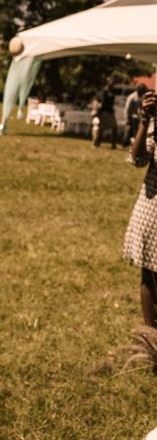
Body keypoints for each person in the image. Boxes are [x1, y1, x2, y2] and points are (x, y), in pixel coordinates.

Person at [124, 89, 157, 327]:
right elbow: (138, 159)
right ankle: (150, 340)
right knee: (148, 273)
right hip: (151, 209)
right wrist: (145, 121)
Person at [93, 77, 119, 149]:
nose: (112, 83)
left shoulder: (113, 91)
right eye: (111, 81)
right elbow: (103, 102)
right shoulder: (104, 91)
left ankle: (113, 145)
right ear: (107, 82)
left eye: (113, 82)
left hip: (110, 112)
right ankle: (96, 144)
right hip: (104, 111)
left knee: (114, 128)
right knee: (101, 129)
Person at [123, 83, 148, 147]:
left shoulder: (142, 96)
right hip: (131, 116)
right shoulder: (132, 97)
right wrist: (127, 118)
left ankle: (135, 144)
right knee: (129, 130)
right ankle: (125, 143)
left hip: (138, 116)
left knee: (136, 131)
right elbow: (127, 108)